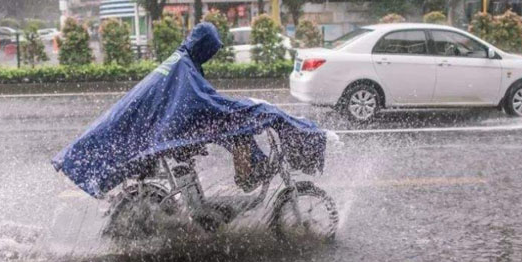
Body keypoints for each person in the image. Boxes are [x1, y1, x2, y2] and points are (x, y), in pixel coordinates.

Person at [52, 22, 325, 198]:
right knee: (238, 127)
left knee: (235, 129)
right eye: (211, 50)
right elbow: (202, 101)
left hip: (163, 125)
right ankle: (248, 175)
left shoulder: (182, 60)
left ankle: (248, 172)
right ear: (204, 46)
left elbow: (200, 97)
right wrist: (243, 108)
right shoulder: (184, 66)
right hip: (166, 128)